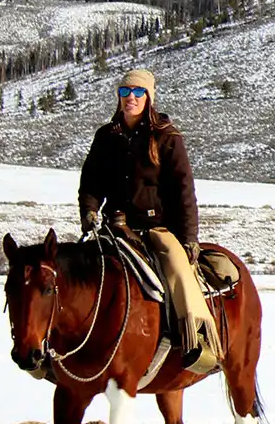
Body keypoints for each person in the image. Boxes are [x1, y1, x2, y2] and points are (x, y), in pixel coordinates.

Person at [77, 68, 221, 372]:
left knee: (178, 269)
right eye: (125, 92)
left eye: (139, 92)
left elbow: (184, 189)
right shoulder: (106, 137)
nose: (131, 97)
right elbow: (90, 181)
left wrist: (189, 238)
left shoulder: (167, 136)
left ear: (149, 97)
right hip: (114, 226)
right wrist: (89, 211)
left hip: (156, 227)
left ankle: (199, 341)